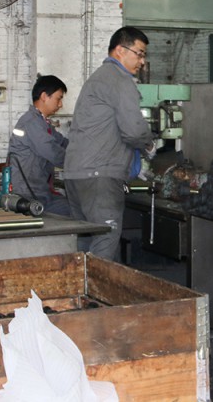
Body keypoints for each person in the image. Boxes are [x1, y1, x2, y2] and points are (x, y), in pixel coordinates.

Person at [64, 26, 155, 260]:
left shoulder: (98, 78)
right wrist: (149, 145)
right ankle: (97, 285)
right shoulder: (120, 80)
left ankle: (80, 284)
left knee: (84, 241)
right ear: (120, 50)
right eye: (139, 54)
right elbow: (133, 130)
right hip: (99, 177)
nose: (142, 61)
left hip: (76, 175)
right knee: (105, 239)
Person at [7, 74, 71, 216]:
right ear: (44, 96)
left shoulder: (42, 124)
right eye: (58, 98)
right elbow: (54, 153)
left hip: (42, 192)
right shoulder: (31, 123)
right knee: (75, 212)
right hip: (29, 196)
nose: (60, 104)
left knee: (75, 208)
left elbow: (63, 143)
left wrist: (86, 147)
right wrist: (82, 163)